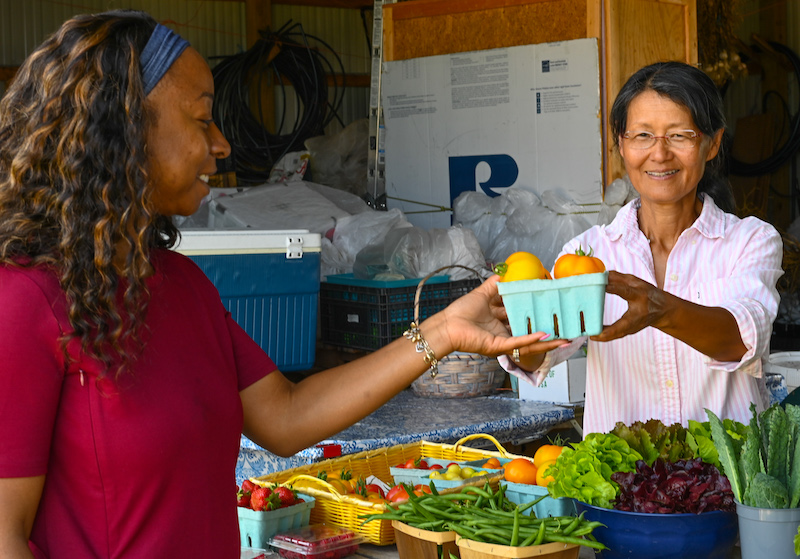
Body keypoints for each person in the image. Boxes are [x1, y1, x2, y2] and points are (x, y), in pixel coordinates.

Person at [0, 10, 566, 559]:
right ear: (123, 130)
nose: (222, 145)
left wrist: (442, 331)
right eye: (202, 120)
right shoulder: (26, 302)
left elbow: (286, 416)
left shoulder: (181, 286)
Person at [504, 61, 784, 436]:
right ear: (621, 143)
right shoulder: (586, 253)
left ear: (712, 143)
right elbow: (540, 353)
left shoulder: (750, 241)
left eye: (680, 135)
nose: (659, 153)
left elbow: (739, 341)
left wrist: (659, 310)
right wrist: (517, 327)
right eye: (642, 136)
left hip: (727, 483)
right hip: (625, 485)